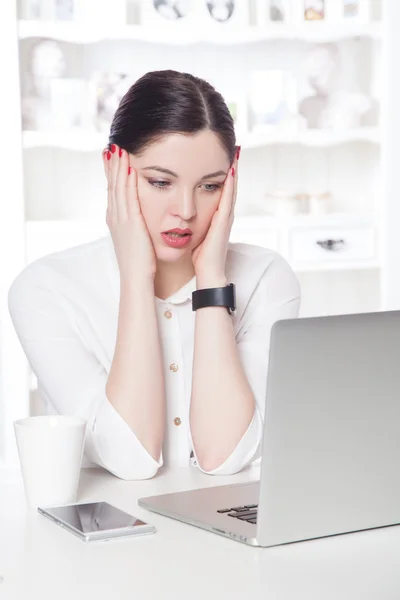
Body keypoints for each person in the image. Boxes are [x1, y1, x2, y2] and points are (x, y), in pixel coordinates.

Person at [8, 70, 300, 480]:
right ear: (114, 168)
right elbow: (129, 459)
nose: (185, 210)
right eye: (161, 182)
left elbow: (224, 455)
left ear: (233, 178)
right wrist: (135, 278)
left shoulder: (267, 278)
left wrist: (211, 276)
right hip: (103, 540)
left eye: (210, 186)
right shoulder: (45, 290)